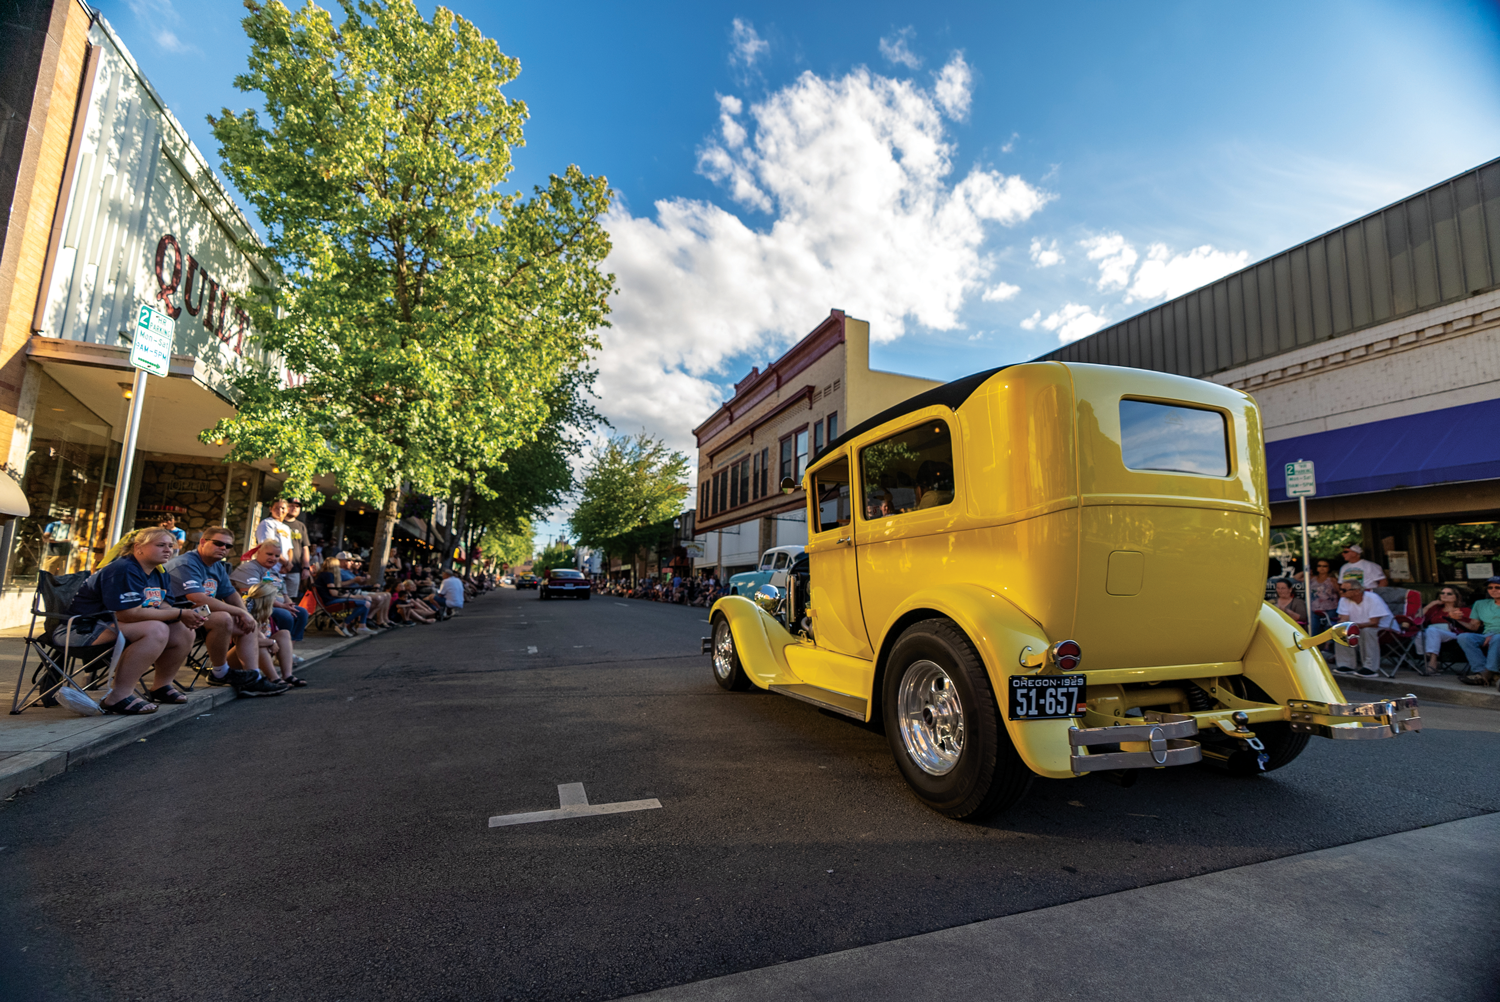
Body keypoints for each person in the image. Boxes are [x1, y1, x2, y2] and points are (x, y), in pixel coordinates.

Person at [56, 527, 207, 713]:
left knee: (184, 630)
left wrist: (185, 615)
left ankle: (161, 687)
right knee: (156, 629)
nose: (168, 550)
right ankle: (118, 696)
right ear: (138, 547)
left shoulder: (159, 572)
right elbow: (128, 614)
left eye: (170, 545)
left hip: (113, 626)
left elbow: (163, 605)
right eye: (160, 545)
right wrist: (179, 613)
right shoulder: (123, 569)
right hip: (82, 629)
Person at [166, 526, 285, 696]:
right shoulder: (187, 563)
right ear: (202, 542)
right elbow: (198, 598)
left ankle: (253, 679)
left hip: (198, 613)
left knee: (247, 623)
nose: (223, 548)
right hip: (175, 614)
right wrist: (240, 612)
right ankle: (220, 673)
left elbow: (231, 595)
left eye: (228, 546)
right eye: (218, 543)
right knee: (225, 617)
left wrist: (246, 615)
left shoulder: (217, 566)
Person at [232, 540, 309, 647]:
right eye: (269, 554)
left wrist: (289, 605)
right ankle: (275, 647)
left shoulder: (275, 572)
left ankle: (288, 648)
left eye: (277, 556)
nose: (273, 558)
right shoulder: (248, 568)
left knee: (301, 613)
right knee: (285, 615)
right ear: (259, 553)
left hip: (275, 606)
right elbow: (256, 594)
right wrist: (282, 606)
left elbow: (285, 594)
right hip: (256, 608)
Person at [243, 581, 306, 687]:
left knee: (284, 633)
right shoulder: (246, 617)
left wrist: (272, 642)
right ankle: (273, 678)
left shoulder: (267, 615)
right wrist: (271, 642)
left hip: (258, 656)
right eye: (274, 597)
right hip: (241, 658)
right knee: (260, 645)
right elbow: (248, 642)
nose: (275, 600)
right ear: (266, 599)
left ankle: (287, 675)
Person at [1332, 575, 1392, 679]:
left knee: (1367, 631)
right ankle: (1346, 665)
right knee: (1341, 630)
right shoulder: (1344, 600)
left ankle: (1370, 667)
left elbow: (1374, 623)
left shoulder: (1373, 599)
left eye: (1344, 590)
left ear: (1356, 591)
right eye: (1341, 589)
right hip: (1358, 627)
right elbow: (1344, 619)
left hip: (1383, 629)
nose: (1340, 592)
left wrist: (1354, 626)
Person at [1415, 586, 1471, 676]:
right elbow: (1417, 618)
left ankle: (1432, 663)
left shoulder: (1464, 610)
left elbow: (1470, 626)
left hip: (1452, 634)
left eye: (1449, 594)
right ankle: (1427, 657)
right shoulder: (1436, 609)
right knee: (1419, 634)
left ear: (1456, 597)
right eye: (1442, 593)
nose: (1444, 595)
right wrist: (1431, 604)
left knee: (1432, 630)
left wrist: (1455, 619)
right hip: (1433, 634)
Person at [1455, 577, 1500, 687]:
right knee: (1463, 637)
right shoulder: (1480, 604)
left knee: (1497, 638)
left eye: (1497, 587)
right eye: (1490, 588)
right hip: (1487, 635)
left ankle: (1487, 673)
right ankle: (1481, 671)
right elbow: (1474, 626)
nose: (1493, 590)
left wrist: (1495, 635)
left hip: (1497, 636)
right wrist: (1456, 620)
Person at [315, 557, 372, 636]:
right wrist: (352, 596)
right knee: (365, 603)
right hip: (330, 601)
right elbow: (333, 592)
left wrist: (346, 593)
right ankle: (344, 624)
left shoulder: (324, 574)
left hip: (330, 599)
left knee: (366, 602)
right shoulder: (328, 575)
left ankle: (361, 626)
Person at [254, 500, 294, 574]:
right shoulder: (266, 523)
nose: (280, 510)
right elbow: (268, 547)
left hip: (282, 569)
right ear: (270, 509)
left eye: (283, 508)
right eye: (276, 508)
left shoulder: (286, 528)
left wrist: (288, 564)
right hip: (269, 569)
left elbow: (290, 549)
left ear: (287, 510)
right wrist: (286, 563)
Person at [283, 499, 313, 599]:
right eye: (291, 505)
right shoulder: (279, 523)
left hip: (295, 568)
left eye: (297, 506)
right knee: (274, 597)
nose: (294, 508)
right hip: (277, 567)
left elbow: (305, 547)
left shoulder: (301, 526)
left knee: (291, 599)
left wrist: (306, 567)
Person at [1303, 558, 1341, 636]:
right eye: (1319, 566)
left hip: (1330, 608)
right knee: (1313, 630)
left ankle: (1328, 644)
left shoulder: (1333, 580)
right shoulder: (1312, 579)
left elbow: (1340, 592)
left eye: (1325, 566)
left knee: (1330, 631)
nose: (1322, 568)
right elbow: (1296, 578)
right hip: (1314, 608)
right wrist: (1307, 570)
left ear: (1329, 568)